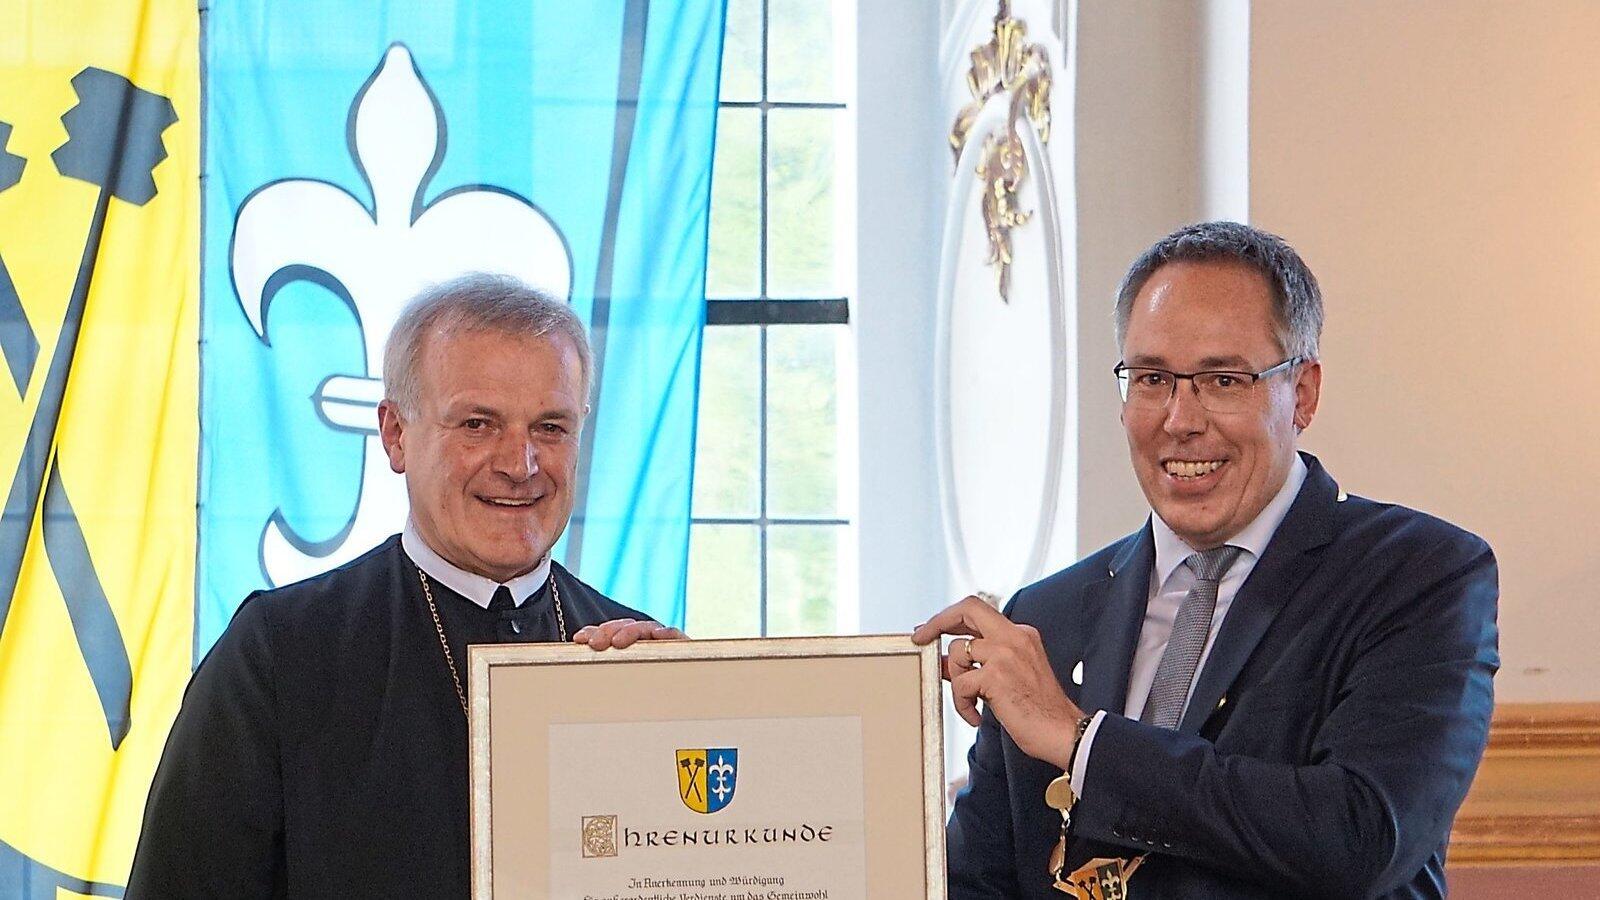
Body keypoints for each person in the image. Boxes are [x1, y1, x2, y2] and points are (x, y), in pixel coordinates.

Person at [915, 222, 1498, 899]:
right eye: (1152, 378)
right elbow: (977, 884)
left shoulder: (1419, 575)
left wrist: (1082, 744)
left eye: (1223, 380)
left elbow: (1363, 837)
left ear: (1302, 393)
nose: (1180, 419)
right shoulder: (1047, 614)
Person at [126, 274, 682, 898]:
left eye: (550, 427)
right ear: (395, 434)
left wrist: (694, 715)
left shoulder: (635, 659)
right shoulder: (280, 654)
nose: (519, 464)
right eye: (478, 424)